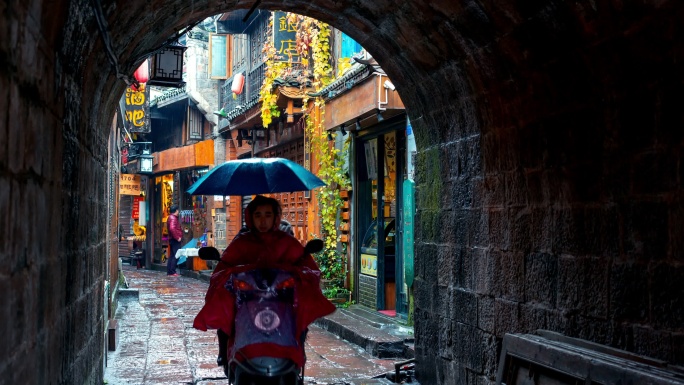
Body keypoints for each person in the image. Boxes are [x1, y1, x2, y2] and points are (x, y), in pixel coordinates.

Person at [193, 195, 335, 369]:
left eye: (268, 215)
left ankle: (299, 348)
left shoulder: (286, 242)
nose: (263, 220)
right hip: (248, 300)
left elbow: (305, 266)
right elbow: (224, 268)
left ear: (276, 217)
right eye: (258, 215)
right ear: (250, 217)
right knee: (225, 305)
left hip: (280, 299)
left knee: (299, 312)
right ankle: (224, 351)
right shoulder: (241, 243)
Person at [167, 205, 183, 277]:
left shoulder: (170, 217)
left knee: (172, 255)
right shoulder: (173, 218)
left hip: (172, 239)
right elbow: (172, 229)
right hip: (174, 239)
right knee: (176, 255)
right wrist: (177, 237)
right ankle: (172, 271)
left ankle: (170, 271)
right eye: (178, 210)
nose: (178, 211)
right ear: (176, 211)